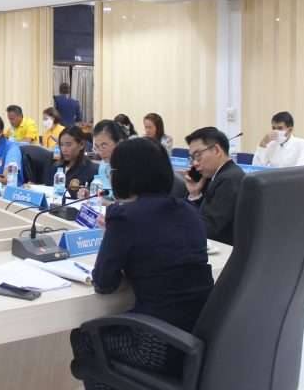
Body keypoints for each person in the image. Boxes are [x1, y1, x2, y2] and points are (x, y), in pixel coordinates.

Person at [70, 138, 214, 386]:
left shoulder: (124, 216)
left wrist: (113, 239)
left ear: (123, 175)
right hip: (200, 339)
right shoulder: (188, 210)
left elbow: (104, 284)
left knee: (84, 336)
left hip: (155, 345)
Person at [183, 127, 244, 246]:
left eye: (198, 155)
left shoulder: (230, 179)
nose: (195, 163)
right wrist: (195, 194)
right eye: (192, 158)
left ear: (216, 150)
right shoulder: (215, 176)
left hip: (225, 250)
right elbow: (203, 216)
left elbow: (209, 227)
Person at [48, 126, 98, 198]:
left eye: (68, 145)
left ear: (81, 145)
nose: (64, 149)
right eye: (61, 145)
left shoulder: (91, 170)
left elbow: (95, 197)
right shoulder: (56, 166)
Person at [92, 120, 126, 196]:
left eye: (104, 146)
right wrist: (91, 195)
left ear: (120, 143)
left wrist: (106, 201)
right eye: (97, 147)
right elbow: (106, 194)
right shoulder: (103, 164)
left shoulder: (131, 167)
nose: (101, 152)